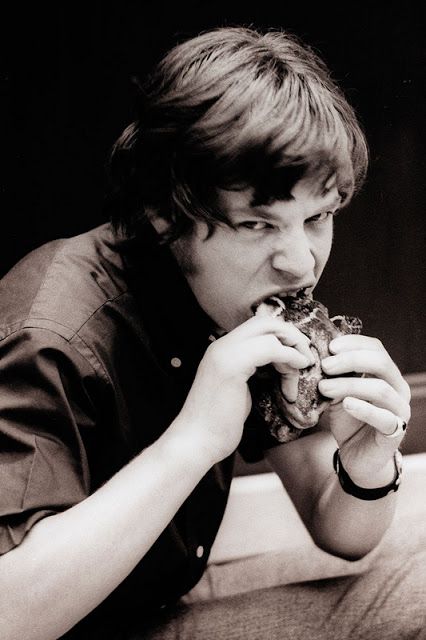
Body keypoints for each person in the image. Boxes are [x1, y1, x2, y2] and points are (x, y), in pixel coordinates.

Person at [0, 25, 421, 640]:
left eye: (318, 217)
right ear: (165, 212)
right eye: (257, 224)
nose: (301, 262)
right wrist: (195, 437)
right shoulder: (54, 336)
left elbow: (341, 533)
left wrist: (366, 460)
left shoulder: (234, 303)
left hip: (164, 598)